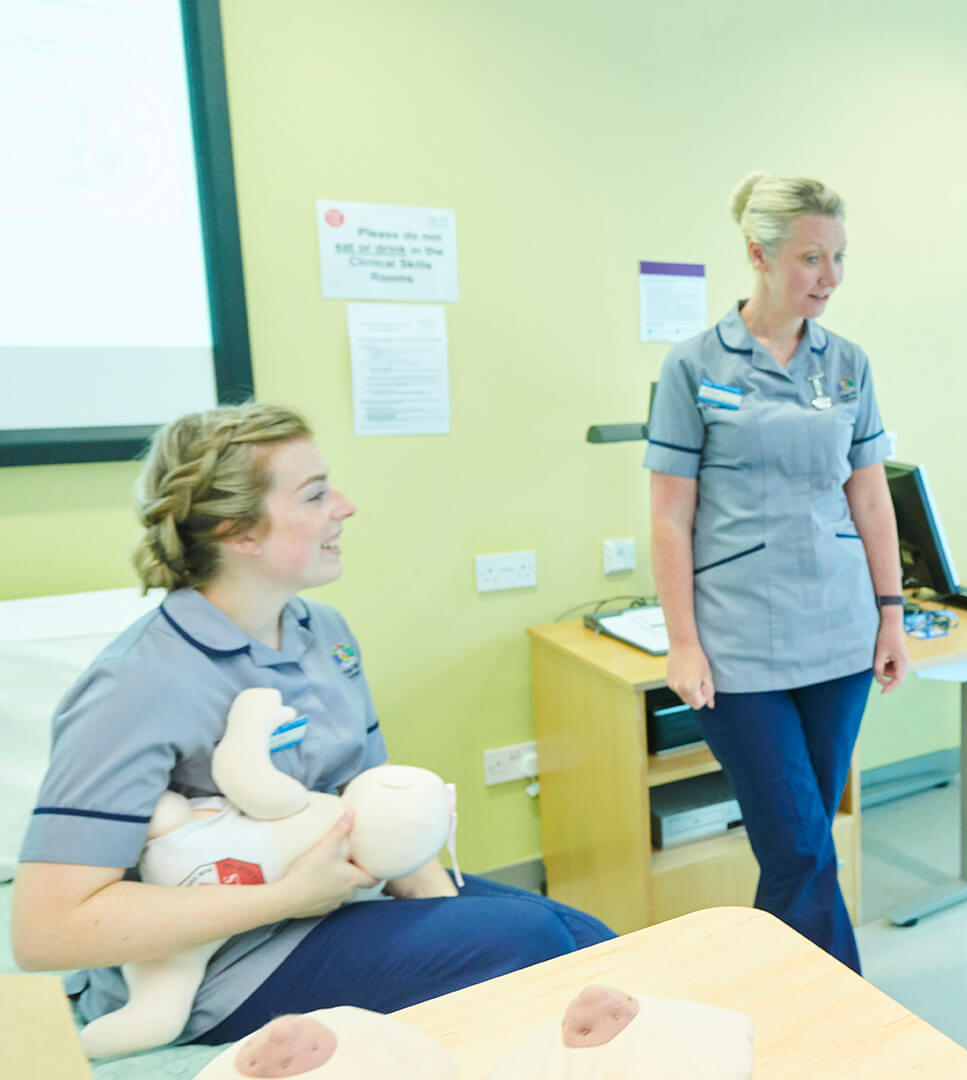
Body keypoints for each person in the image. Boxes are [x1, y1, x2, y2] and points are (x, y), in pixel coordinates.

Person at [11, 403, 614, 1048]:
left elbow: (380, 811)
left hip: (340, 906)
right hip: (220, 967)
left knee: (588, 941)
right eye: (316, 494)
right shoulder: (137, 685)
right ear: (237, 530)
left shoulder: (323, 633)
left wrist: (444, 907)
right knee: (533, 942)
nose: (345, 507)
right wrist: (291, 897)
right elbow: (47, 929)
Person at [645, 171, 908, 973]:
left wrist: (891, 614)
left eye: (837, 257)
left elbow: (870, 497)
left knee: (801, 844)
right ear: (757, 254)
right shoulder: (693, 367)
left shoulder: (849, 364)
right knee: (798, 845)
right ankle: (844, 1022)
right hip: (740, 647)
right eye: (809, 258)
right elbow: (668, 515)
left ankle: (777, 999)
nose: (828, 277)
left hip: (839, 637)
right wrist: (682, 642)